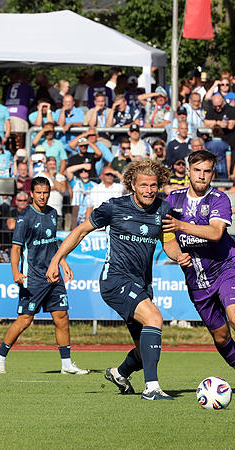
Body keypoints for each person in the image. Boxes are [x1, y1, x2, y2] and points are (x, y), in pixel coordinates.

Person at [48, 159, 191, 401]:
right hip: (115, 280)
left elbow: (168, 243)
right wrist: (56, 260)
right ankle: (152, 389)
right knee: (155, 318)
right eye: (144, 185)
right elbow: (81, 230)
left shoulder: (163, 210)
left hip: (142, 284)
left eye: (153, 185)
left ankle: (119, 373)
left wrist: (179, 256)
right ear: (133, 185)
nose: (149, 190)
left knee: (145, 351)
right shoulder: (114, 207)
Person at [163, 150, 235, 398]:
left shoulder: (219, 199)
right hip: (196, 277)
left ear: (212, 174)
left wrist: (181, 225)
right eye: (197, 170)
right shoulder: (172, 200)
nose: (201, 176)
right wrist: (176, 255)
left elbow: (216, 233)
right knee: (220, 334)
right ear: (188, 171)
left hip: (225, 267)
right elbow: (168, 239)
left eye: (207, 171)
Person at [0, 178, 89, 375]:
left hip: (53, 275)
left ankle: (66, 364)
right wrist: (15, 272)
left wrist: (63, 263)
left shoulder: (53, 214)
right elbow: (16, 249)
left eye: (46, 192)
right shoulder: (24, 217)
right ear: (32, 194)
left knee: (62, 317)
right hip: (33, 277)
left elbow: (53, 244)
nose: (43, 196)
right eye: (39, 193)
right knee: (25, 320)